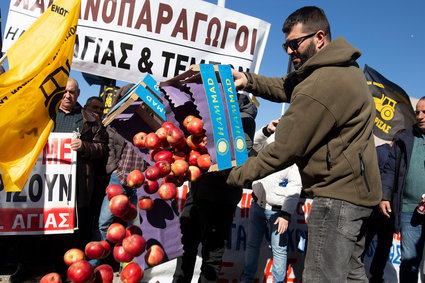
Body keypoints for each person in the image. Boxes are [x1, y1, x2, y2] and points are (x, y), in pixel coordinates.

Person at [225, 6, 381, 282]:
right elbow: (288, 85)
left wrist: (231, 173)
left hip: (337, 198)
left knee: (321, 276)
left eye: (294, 44)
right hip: (358, 194)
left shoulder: (323, 82)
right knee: (351, 275)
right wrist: (249, 80)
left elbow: (284, 149)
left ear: (319, 37)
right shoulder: (340, 69)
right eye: (285, 45)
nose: (288, 51)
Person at [172, 92, 257, 283]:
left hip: (223, 196)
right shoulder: (205, 113)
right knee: (186, 246)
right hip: (198, 192)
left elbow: (241, 153)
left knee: (213, 252)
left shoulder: (243, 119)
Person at [241, 119, 302, 283]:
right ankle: (247, 279)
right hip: (257, 206)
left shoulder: (292, 157)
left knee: (279, 250)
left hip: (277, 213)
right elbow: (253, 143)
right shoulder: (267, 147)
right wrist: (267, 129)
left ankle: (278, 281)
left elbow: (295, 186)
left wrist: (286, 214)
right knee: (252, 246)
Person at [379, 97, 425, 283]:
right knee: (408, 263)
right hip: (409, 212)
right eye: (417, 112)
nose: (420, 116)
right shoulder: (404, 138)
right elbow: (390, 170)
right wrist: (384, 196)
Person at [362, 143, 394, 283]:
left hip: (391, 208)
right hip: (376, 206)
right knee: (365, 241)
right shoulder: (381, 152)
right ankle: (355, 273)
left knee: (385, 245)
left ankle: (376, 276)